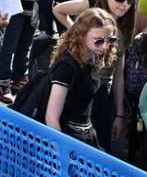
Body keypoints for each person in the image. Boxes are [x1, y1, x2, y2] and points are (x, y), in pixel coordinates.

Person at [45, 8, 119, 148]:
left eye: (110, 40)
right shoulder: (67, 66)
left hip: (87, 133)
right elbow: (51, 118)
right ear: (81, 35)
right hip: (69, 137)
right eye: (98, 41)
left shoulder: (92, 57)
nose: (105, 46)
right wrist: (62, 151)